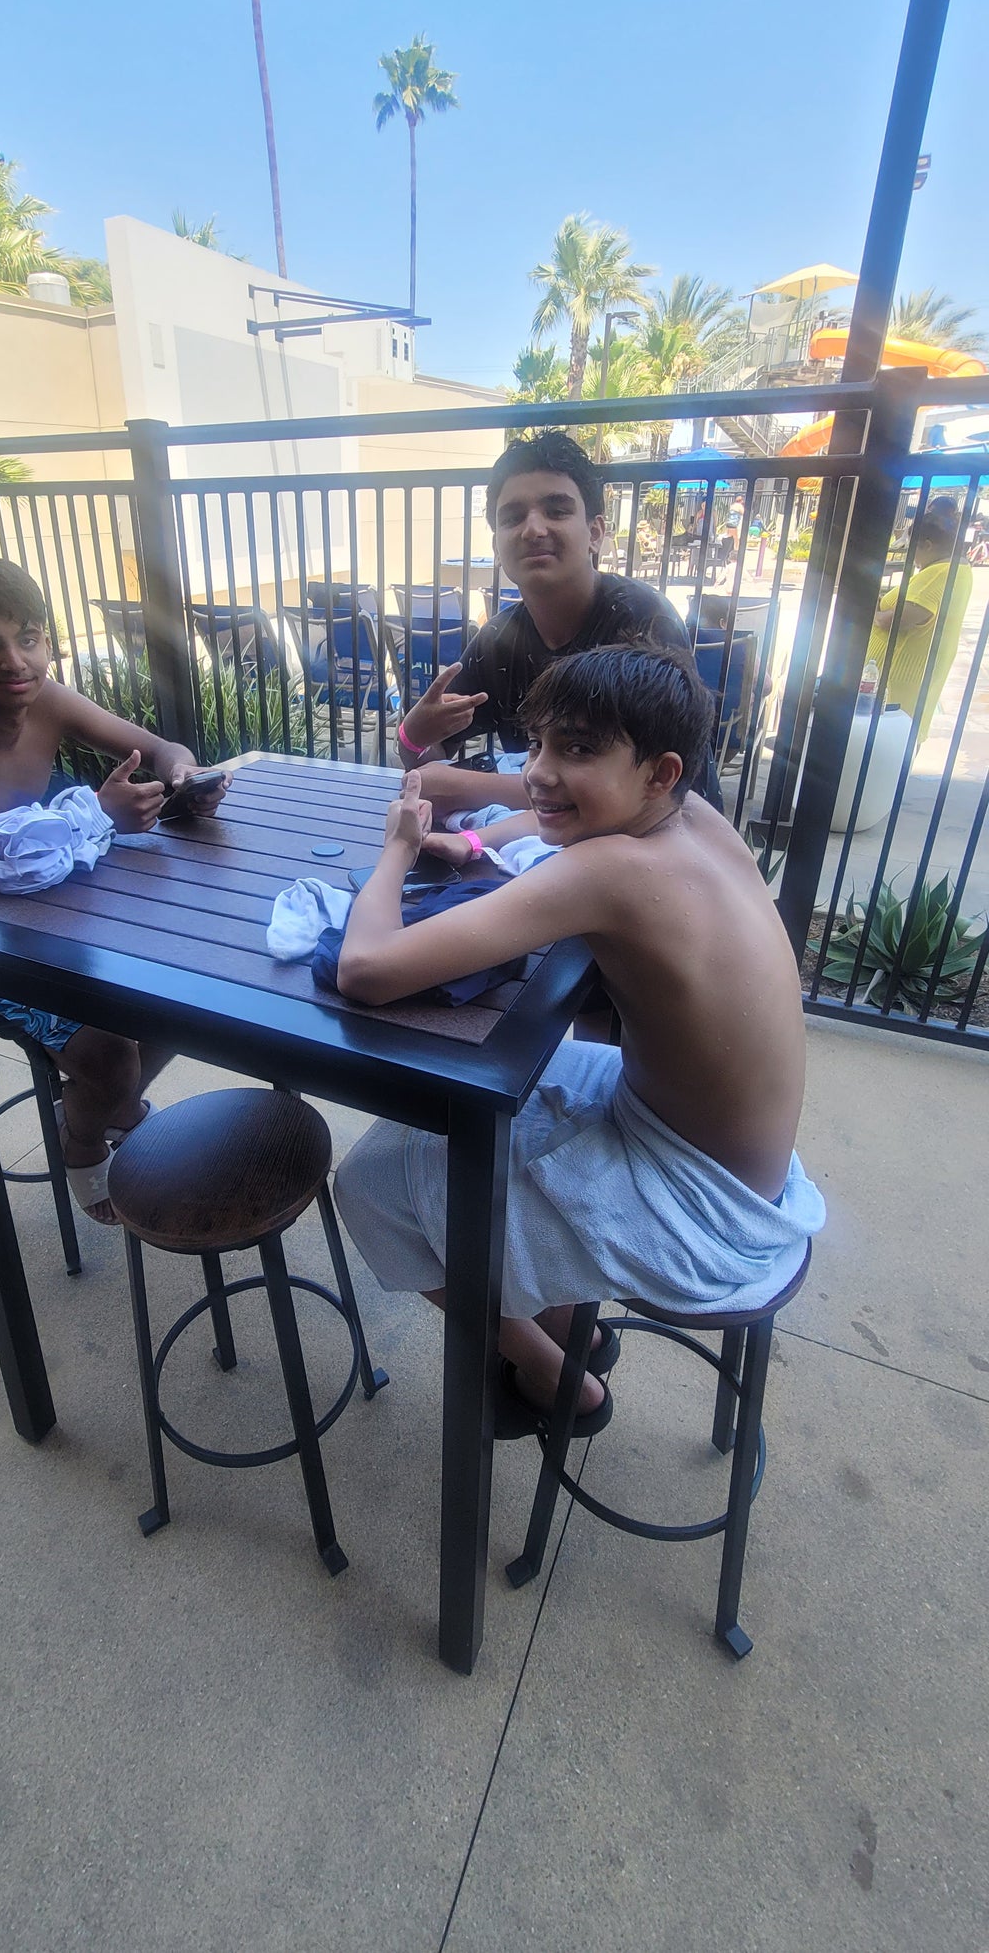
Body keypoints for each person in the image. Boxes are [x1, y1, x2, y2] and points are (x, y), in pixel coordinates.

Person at [334, 643, 823, 1437]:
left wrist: (398, 846)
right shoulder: (695, 816)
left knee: (368, 1184)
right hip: (741, 1163)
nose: (540, 771)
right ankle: (575, 1327)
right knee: (479, 1096)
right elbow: (538, 808)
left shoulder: (611, 872)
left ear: (660, 772)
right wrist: (479, 839)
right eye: (538, 743)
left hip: (700, 1207)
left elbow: (366, 969)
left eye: (579, 749)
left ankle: (555, 1376)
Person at [0, 557, 228, 1223]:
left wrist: (183, 778)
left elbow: (159, 746)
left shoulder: (48, 699)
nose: (14, 660)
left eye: (28, 638)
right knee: (110, 1054)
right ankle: (84, 1137)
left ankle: (104, 1104)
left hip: (52, 918)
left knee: (186, 992)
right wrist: (85, 816)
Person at [394, 430, 720, 821]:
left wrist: (464, 785)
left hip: (661, 841)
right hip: (554, 838)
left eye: (557, 511)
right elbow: (426, 767)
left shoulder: (643, 622)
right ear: (497, 546)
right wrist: (412, 735)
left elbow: (650, 796)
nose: (533, 529)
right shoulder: (499, 640)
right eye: (512, 517)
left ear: (595, 533)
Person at [866, 507, 974, 743]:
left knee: (884, 748)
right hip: (905, 684)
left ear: (927, 545)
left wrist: (873, 610)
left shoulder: (939, 574)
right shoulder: (956, 569)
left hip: (896, 688)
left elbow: (895, 621)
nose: (911, 556)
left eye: (912, 548)